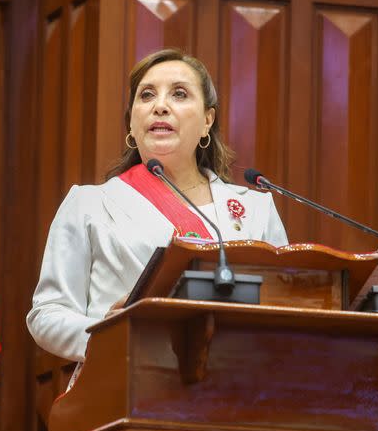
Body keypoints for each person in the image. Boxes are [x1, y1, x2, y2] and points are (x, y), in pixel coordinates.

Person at [26, 48, 288, 365]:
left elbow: (284, 307)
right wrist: (109, 333)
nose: (160, 106)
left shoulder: (256, 209)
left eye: (179, 94)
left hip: (237, 390)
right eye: (146, 95)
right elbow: (47, 314)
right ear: (132, 124)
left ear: (208, 120)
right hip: (123, 385)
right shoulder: (89, 205)